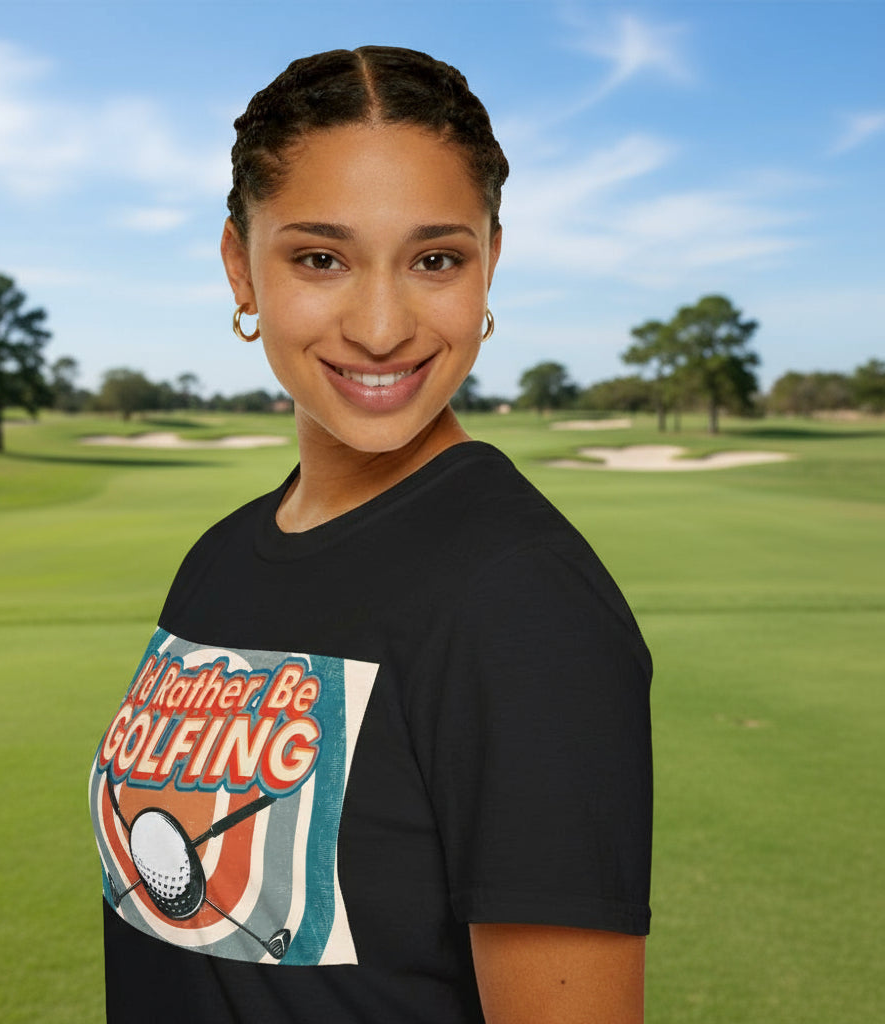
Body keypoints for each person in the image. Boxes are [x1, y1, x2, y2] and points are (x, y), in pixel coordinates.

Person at [90, 46, 652, 1024]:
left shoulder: (522, 600)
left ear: (490, 263)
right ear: (240, 265)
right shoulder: (221, 555)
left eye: (436, 259)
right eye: (320, 257)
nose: (383, 325)